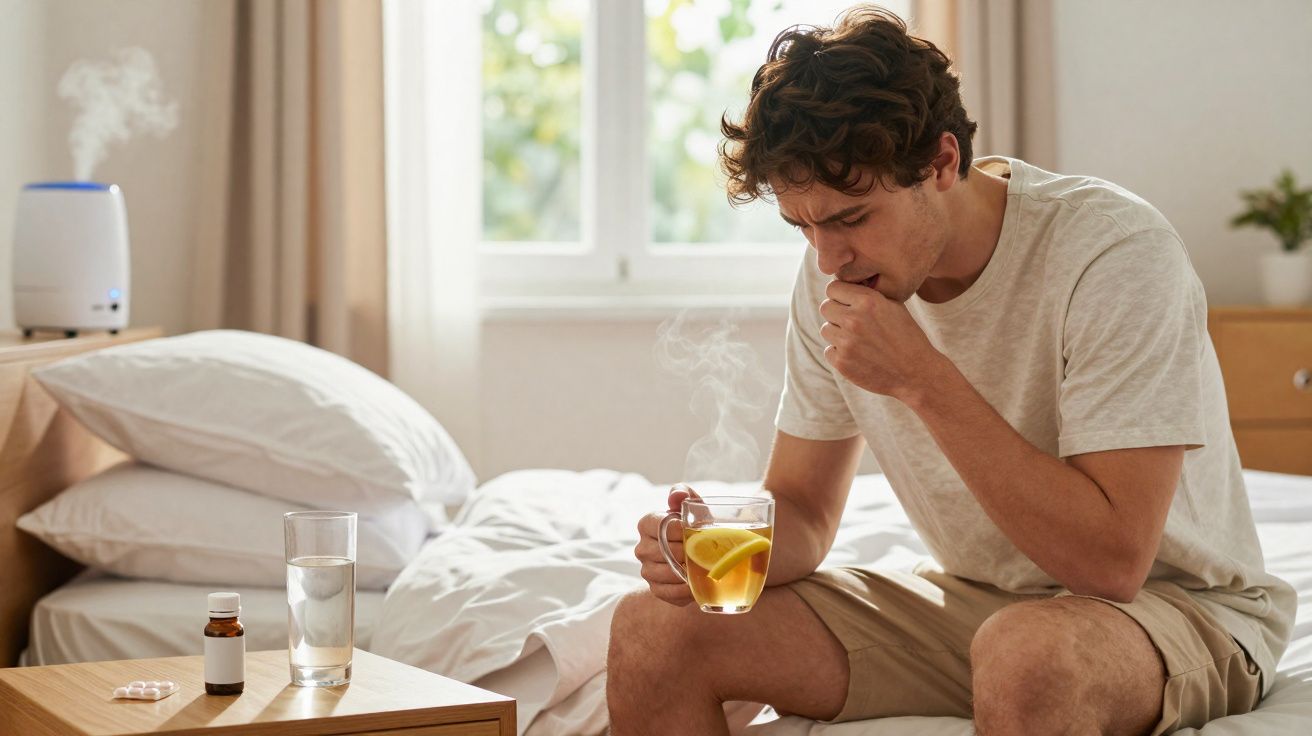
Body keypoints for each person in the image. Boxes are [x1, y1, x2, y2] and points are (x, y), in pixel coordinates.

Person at [606, 6, 1295, 736]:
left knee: (1027, 656)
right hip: (980, 603)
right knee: (653, 631)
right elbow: (804, 512)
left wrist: (922, 380)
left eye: (849, 218)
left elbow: (1115, 563)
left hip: (1177, 608)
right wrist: (716, 554)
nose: (826, 258)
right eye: (801, 226)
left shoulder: (1112, 253)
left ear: (940, 163)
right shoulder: (832, 280)